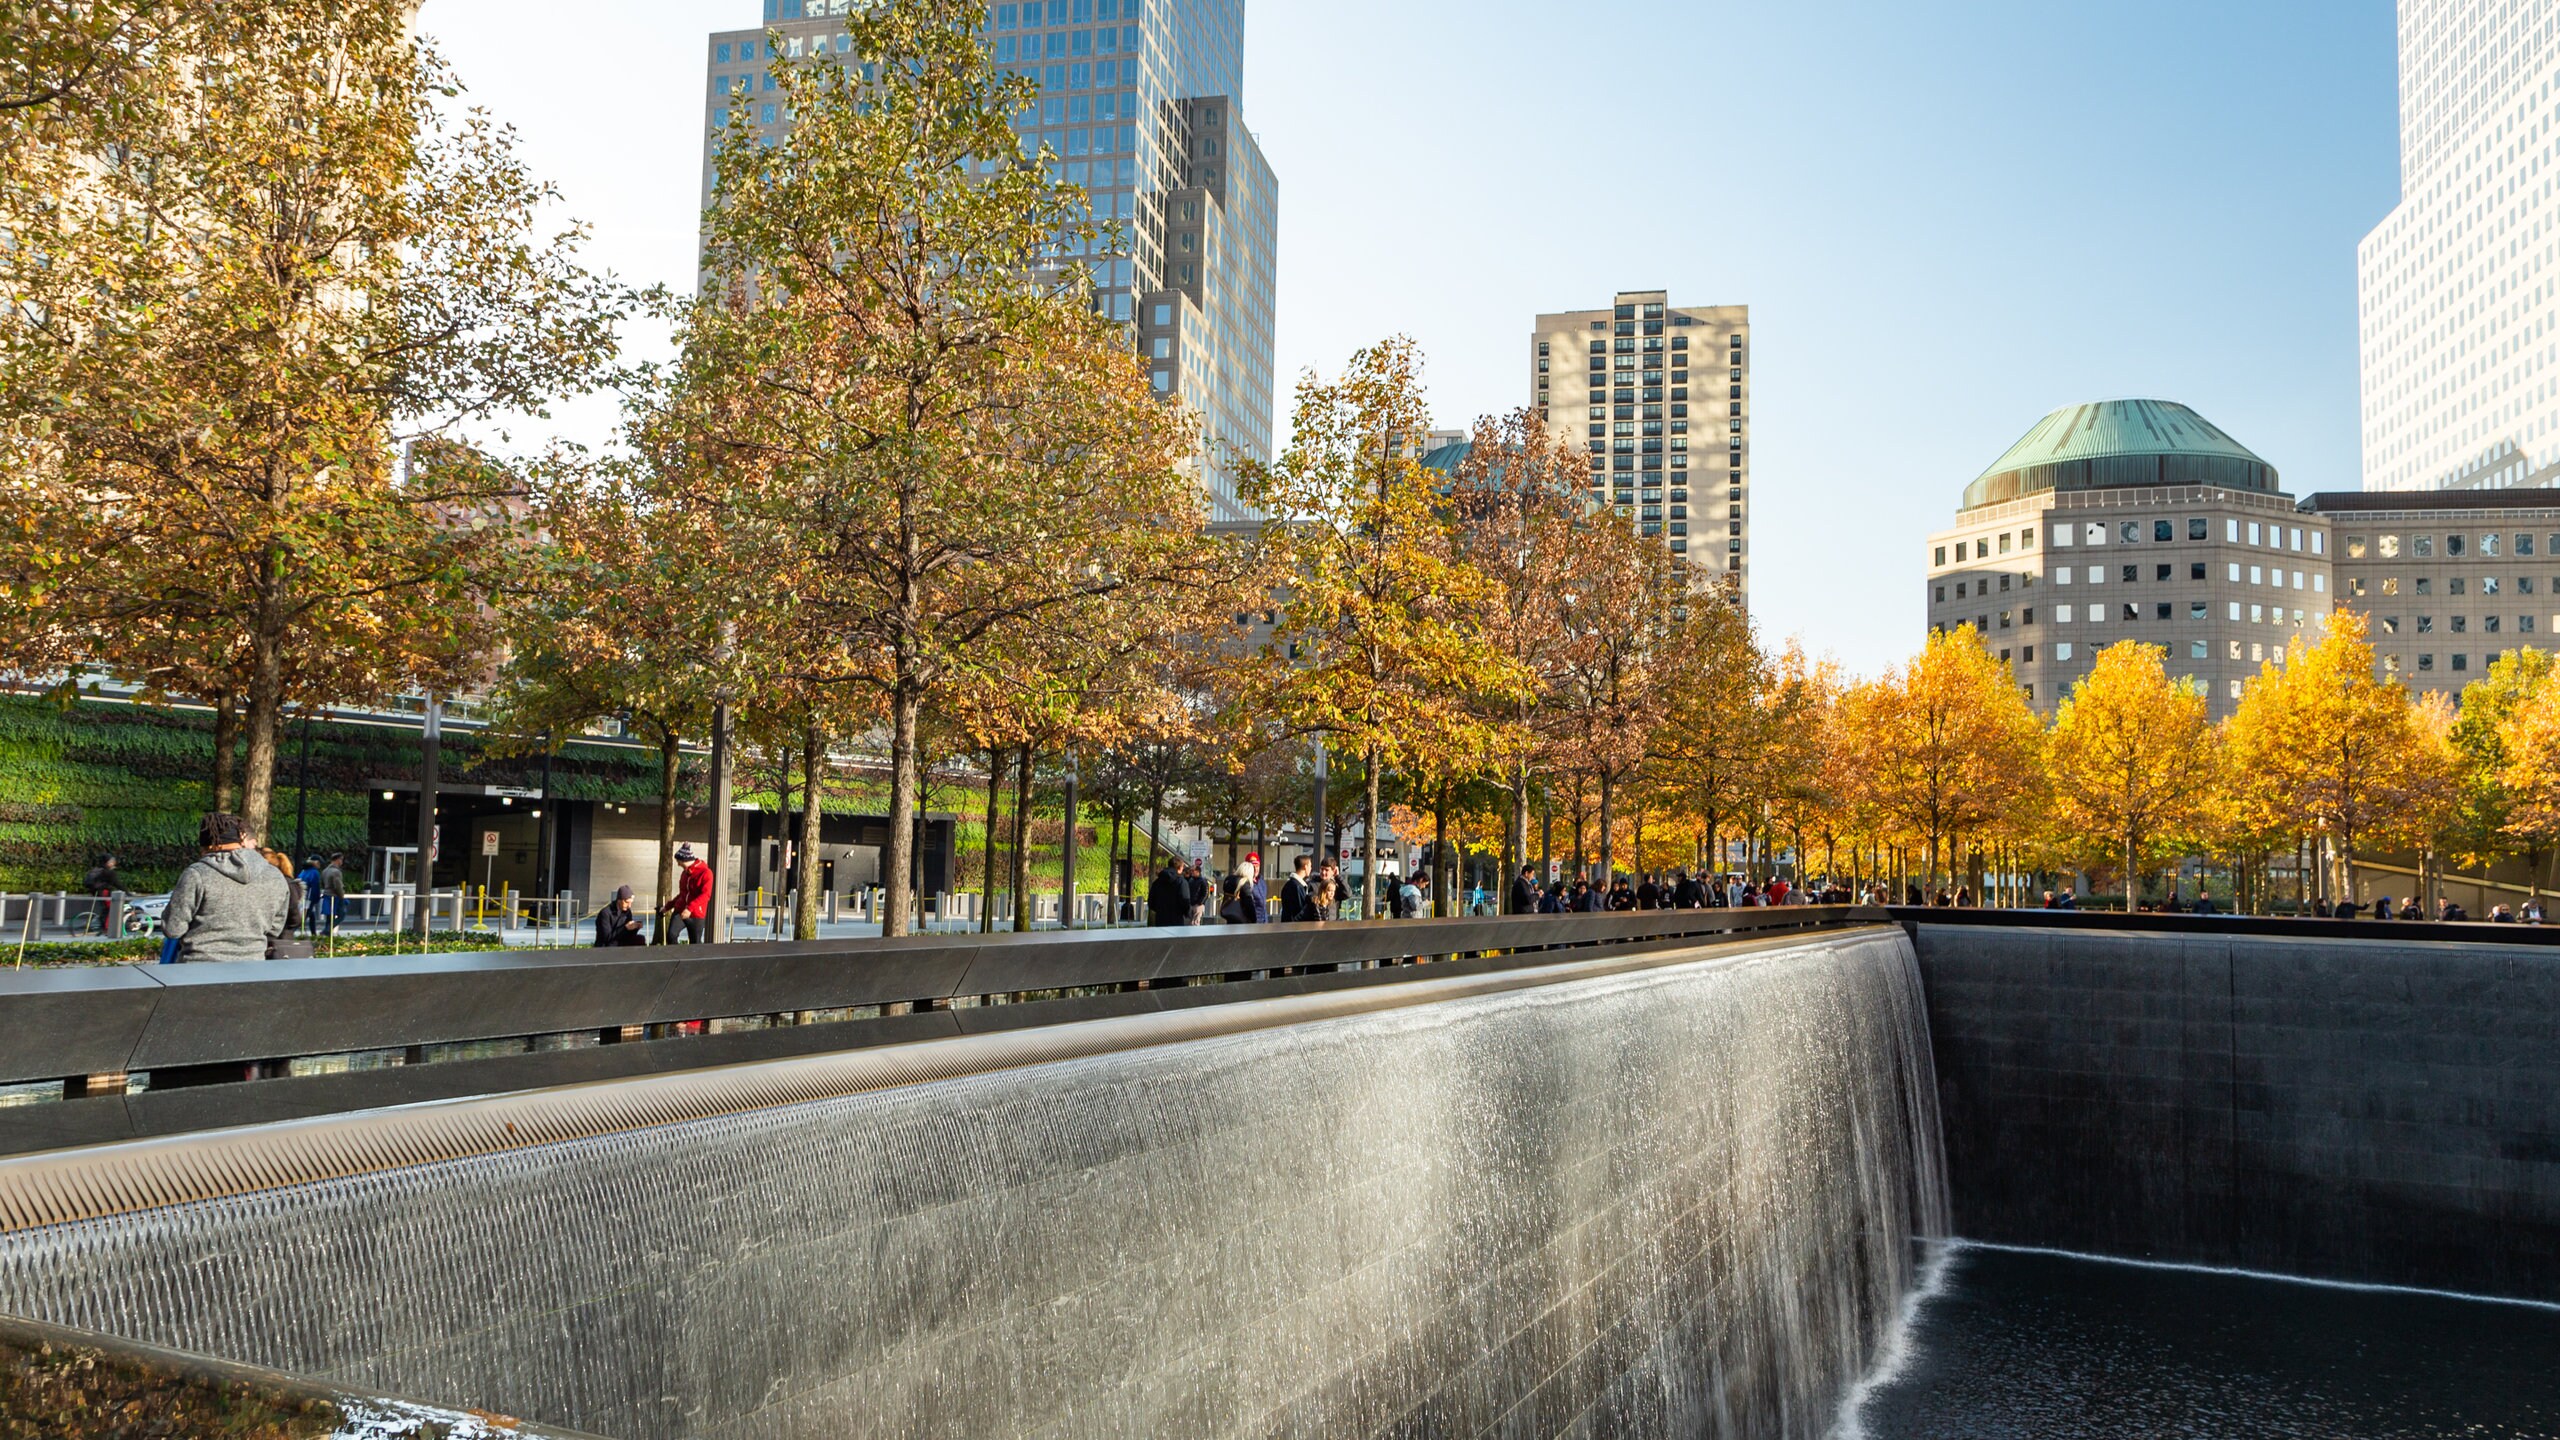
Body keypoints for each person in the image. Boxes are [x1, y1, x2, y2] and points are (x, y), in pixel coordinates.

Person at [160, 813, 292, 964]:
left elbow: (173, 928)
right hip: (253, 967)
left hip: (199, 969)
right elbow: (275, 928)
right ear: (241, 840)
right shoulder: (275, 875)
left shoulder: (197, 874)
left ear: (206, 846)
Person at [660, 844, 713, 944]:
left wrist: (690, 908)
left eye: (678, 862)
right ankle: (677, 957)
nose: (678, 864)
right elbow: (682, 894)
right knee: (671, 935)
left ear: (684, 860)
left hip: (696, 913)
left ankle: (694, 959)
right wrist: (668, 906)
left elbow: (706, 895)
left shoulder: (706, 873)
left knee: (695, 942)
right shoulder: (684, 873)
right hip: (680, 910)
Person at [259, 849, 305, 935]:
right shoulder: (289, 883)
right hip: (282, 934)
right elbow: (295, 916)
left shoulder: (264, 883)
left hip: (267, 934)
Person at [1147, 858, 1189, 927]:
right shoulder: (1181, 882)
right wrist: (1185, 913)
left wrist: (1160, 910)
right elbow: (1185, 901)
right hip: (1177, 918)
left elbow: (1151, 901)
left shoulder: (1157, 882)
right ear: (1180, 867)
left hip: (1160, 918)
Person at [1277, 856, 1315, 923]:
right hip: (1295, 927)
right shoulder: (1297, 887)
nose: (1311, 868)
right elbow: (1301, 910)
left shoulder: (1289, 884)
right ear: (1305, 867)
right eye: (1310, 866)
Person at [317, 852, 347, 936]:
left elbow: (322, 883)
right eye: (341, 860)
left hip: (327, 895)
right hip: (335, 896)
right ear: (338, 860)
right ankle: (327, 930)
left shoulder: (325, 871)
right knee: (342, 914)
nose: (342, 862)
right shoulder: (336, 872)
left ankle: (327, 933)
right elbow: (338, 886)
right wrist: (342, 897)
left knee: (329, 917)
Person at [1182, 861, 1209, 925]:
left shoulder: (1202, 881)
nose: (1191, 872)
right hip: (1191, 903)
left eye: (1192, 871)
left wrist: (1200, 902)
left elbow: (1205, 893)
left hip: (1198, 904)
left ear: (1197, 871)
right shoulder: (1191, 880)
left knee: (1196, 922)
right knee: (1189, 921)